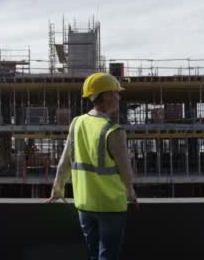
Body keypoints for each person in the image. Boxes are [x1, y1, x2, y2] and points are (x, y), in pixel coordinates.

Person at [46, 72, 138, 260]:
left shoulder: (76, 123)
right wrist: (130, 192)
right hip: (111, 205)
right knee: (108, 255)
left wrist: (58, 188)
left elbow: (65, 160)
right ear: (105, 96)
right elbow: (126, 170)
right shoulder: (114, 131)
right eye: (115, 93)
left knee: (93, 255)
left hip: (85, 203)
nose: (119, 97)